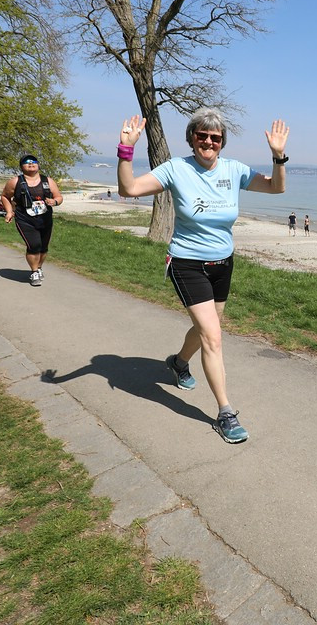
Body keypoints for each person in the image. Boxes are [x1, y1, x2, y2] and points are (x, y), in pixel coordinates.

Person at [116, 108, 289, 444]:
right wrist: (127, 151)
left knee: (206, 328)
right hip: (187, 263)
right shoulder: (176, 169)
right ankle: (225, 413)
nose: (209, 142)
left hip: (223, 264)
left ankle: (179, 362)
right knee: (213, 337)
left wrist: (278, 157)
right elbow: (129, 189)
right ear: (191, 138)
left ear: (221, 142)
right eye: (202, 136)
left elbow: (275, 189)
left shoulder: (233, 170)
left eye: (216, 137)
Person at [0, 154, 63, 286]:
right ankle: (34, 271)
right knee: (33, 245)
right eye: (26, 162)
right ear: (21, 166)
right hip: (25, 219)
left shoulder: (48, 181)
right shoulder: (15, 182)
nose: (31, 164)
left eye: (34, 162)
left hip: (45, 219)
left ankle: (39, 267)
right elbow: (5, 196)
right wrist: (9, 212)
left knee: (43, 247)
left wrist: (55, 201)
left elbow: (58, 196)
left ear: (38, 165)